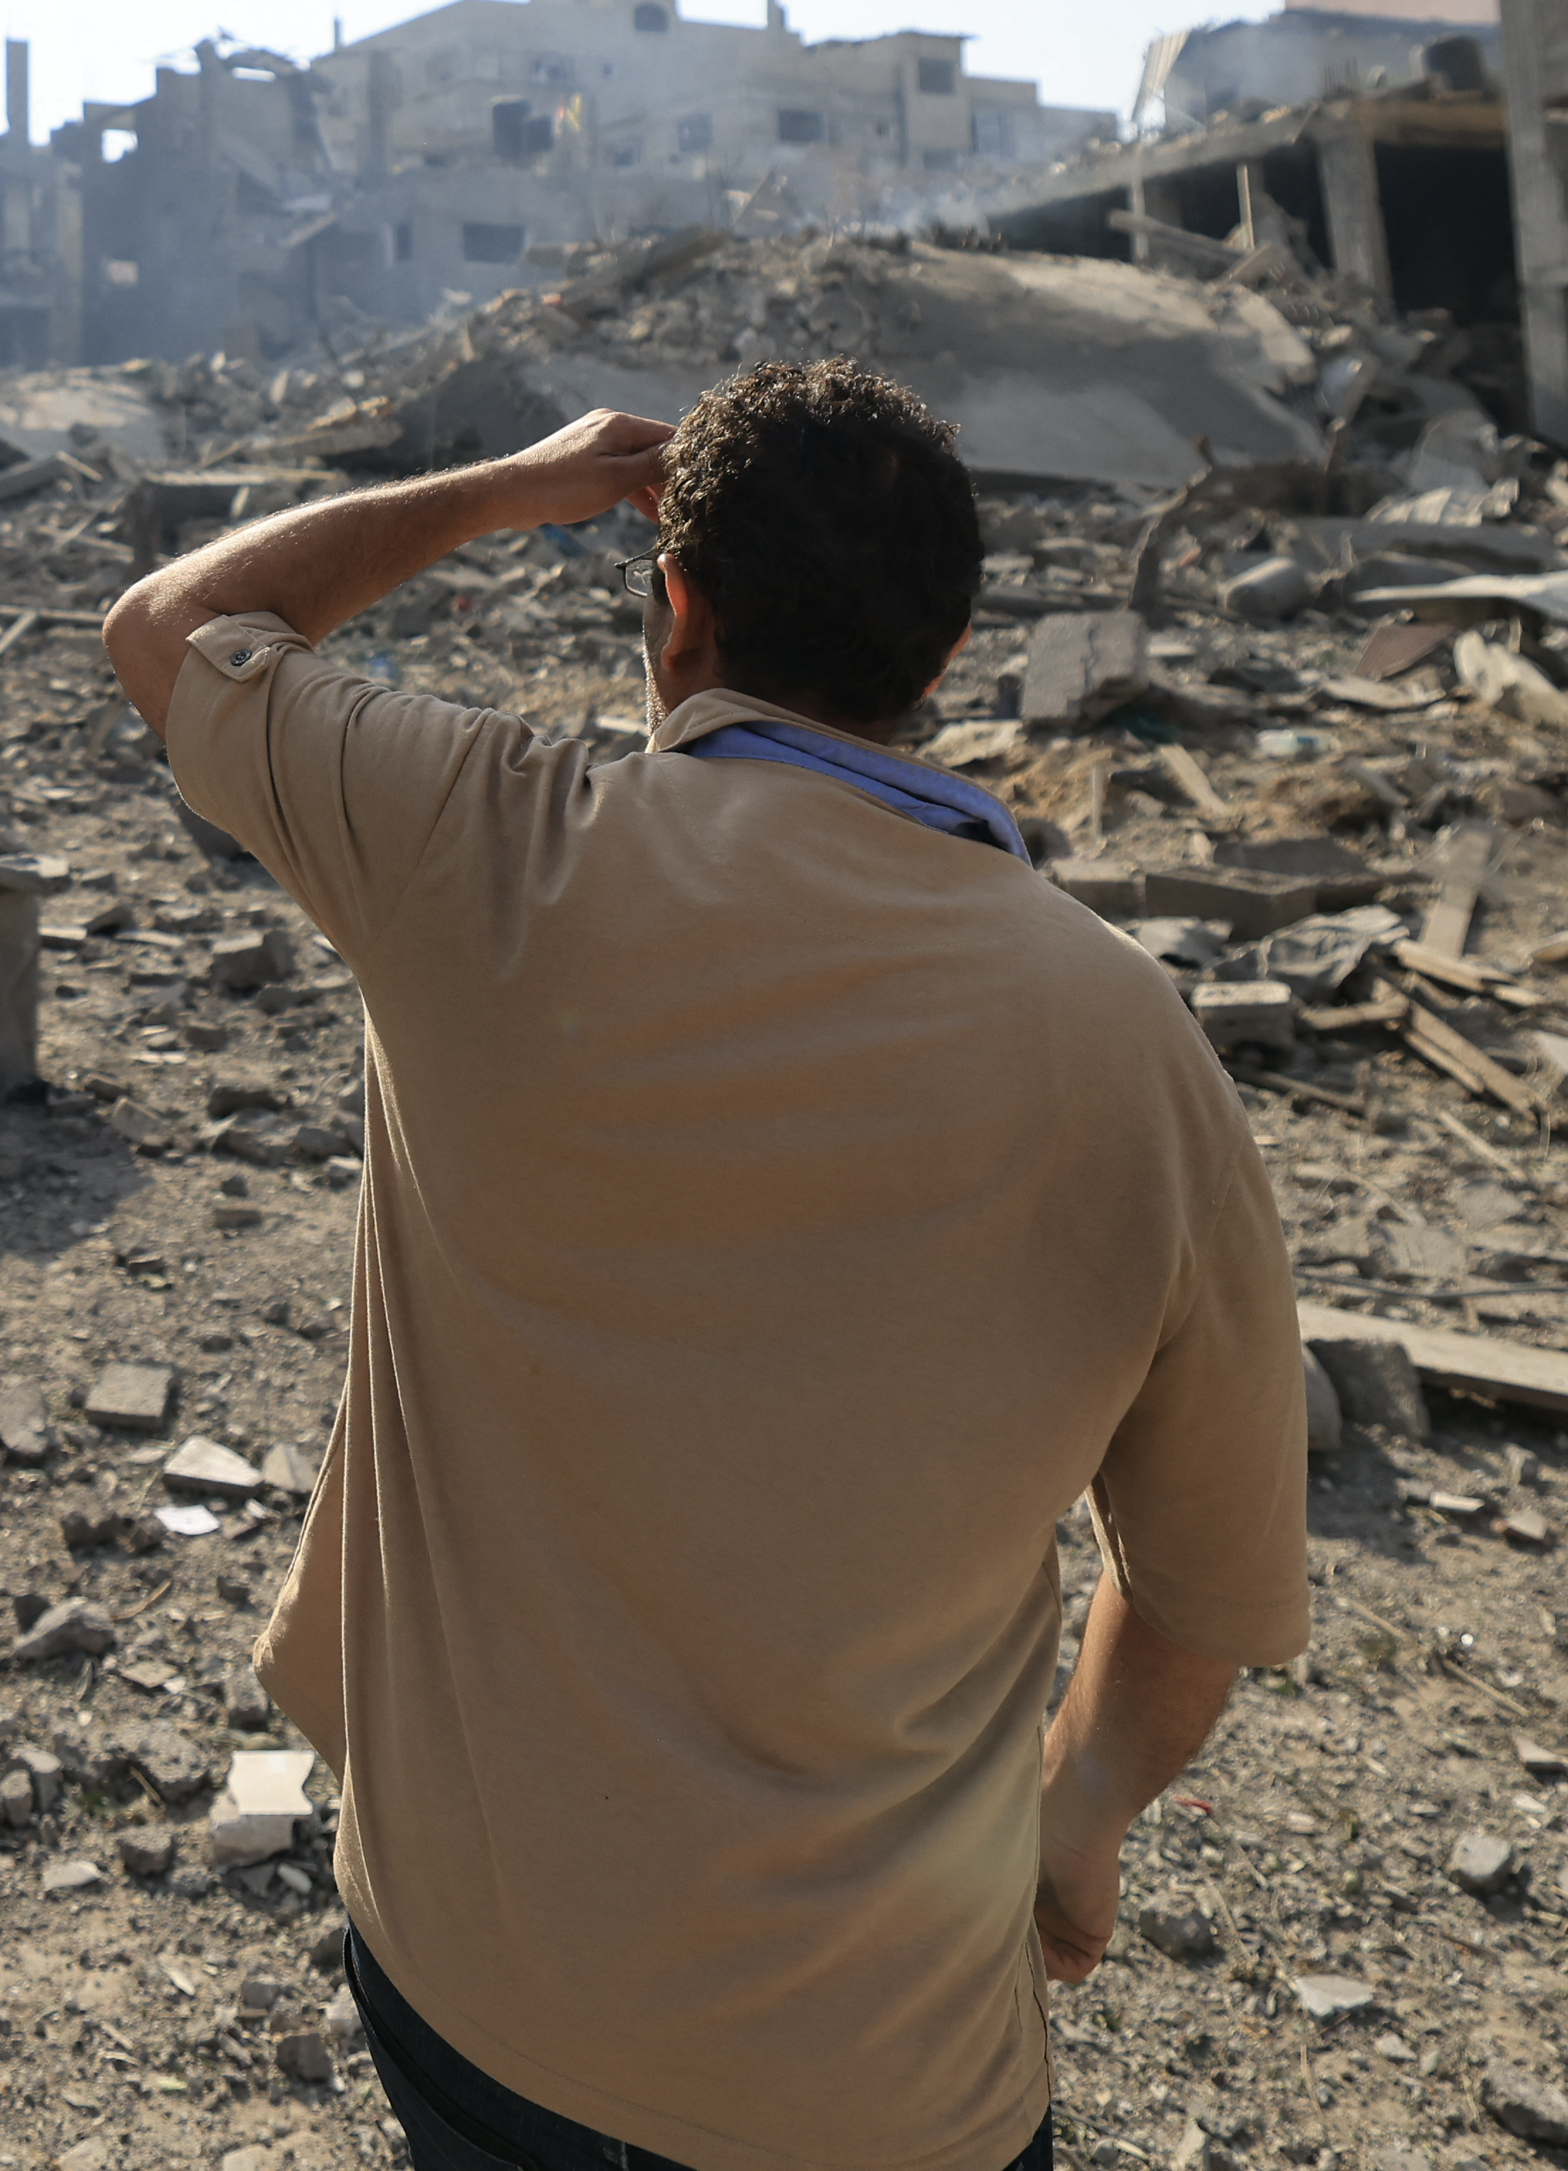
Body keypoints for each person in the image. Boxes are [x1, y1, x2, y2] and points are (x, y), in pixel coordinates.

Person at [99, 360, 1309, 2171]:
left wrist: (518, 484)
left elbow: (175, 624)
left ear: (674, 610)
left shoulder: (480, 848)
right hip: (891, 2082)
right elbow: (1204, 1596)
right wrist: (1081, 1809)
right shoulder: (1137, 1045)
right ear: (949, 655)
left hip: (480, 1988)